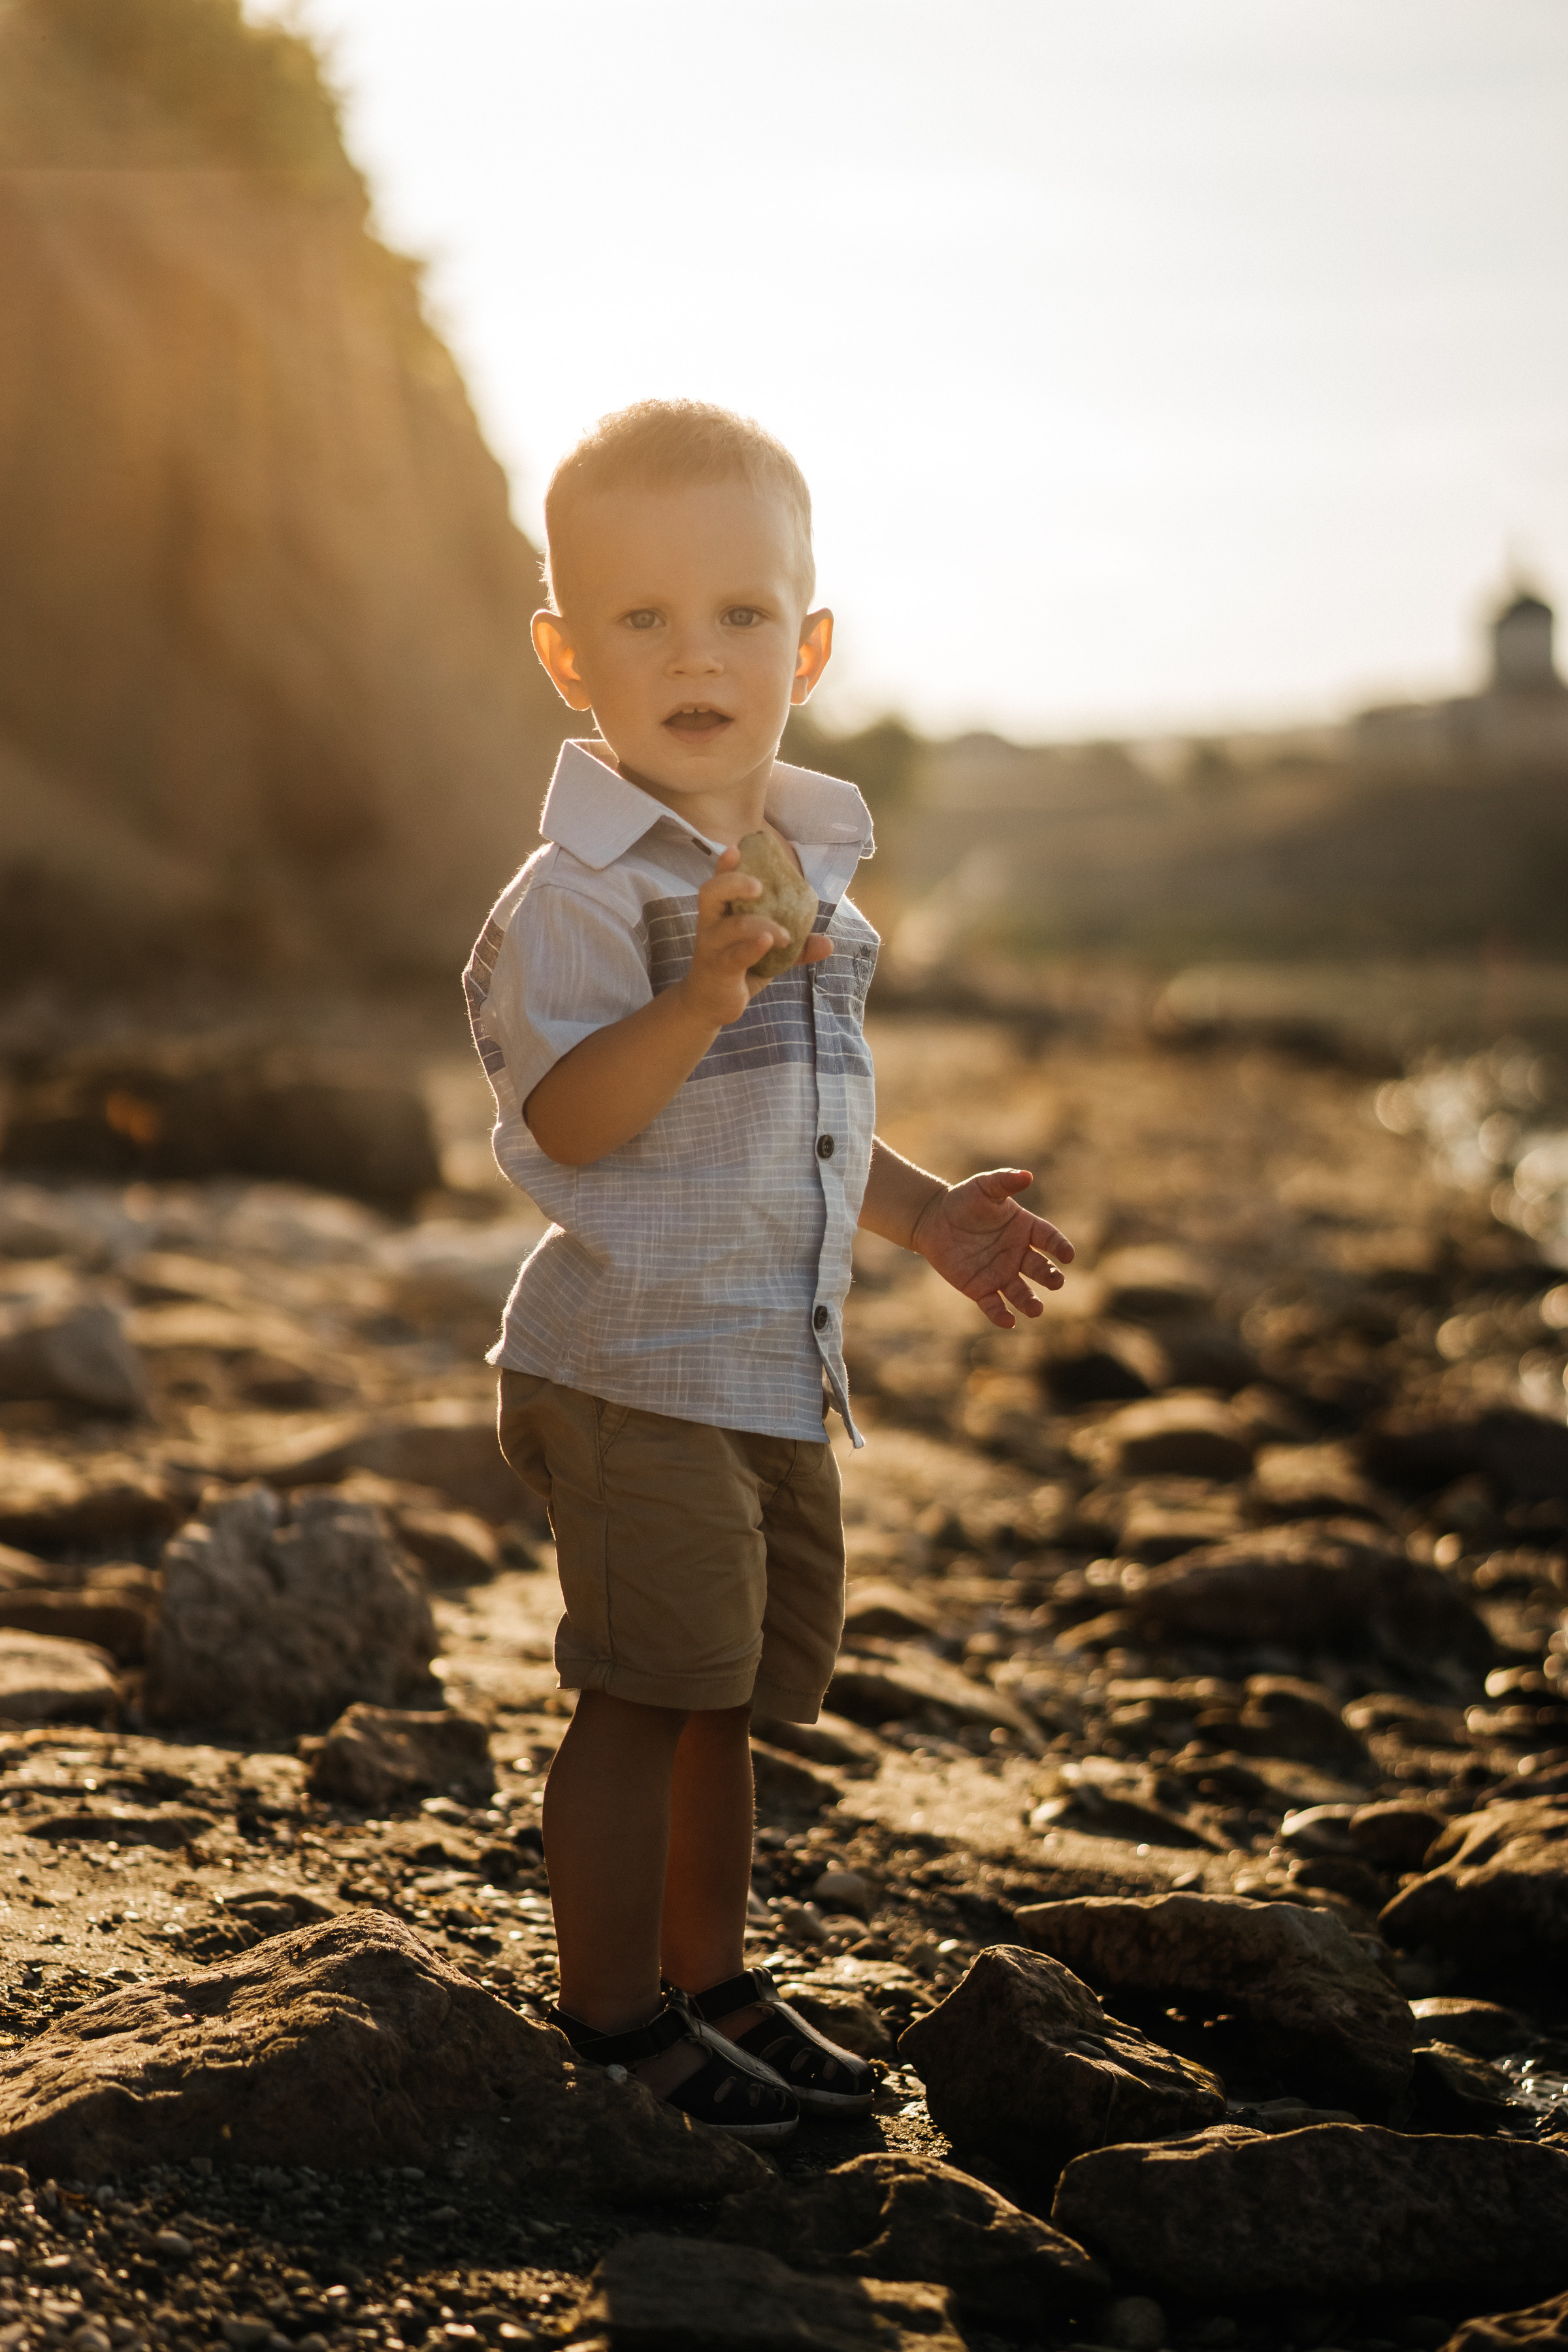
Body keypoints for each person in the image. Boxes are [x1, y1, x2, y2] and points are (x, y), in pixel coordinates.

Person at [465, 399, 1073, 2142]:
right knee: (641, 1693)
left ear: (806, 642)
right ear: (568, 658)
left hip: (764, 1363)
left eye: (739, 613)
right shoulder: (575, 898)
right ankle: (608, 2020)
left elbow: (793, 1126)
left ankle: (708, 1979)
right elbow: (577, 1118)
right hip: (631, 1363)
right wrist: (698, 997)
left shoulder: (797, 864)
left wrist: (929, 1211)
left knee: (729, 1696)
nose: (695, 653)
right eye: (640, 619)